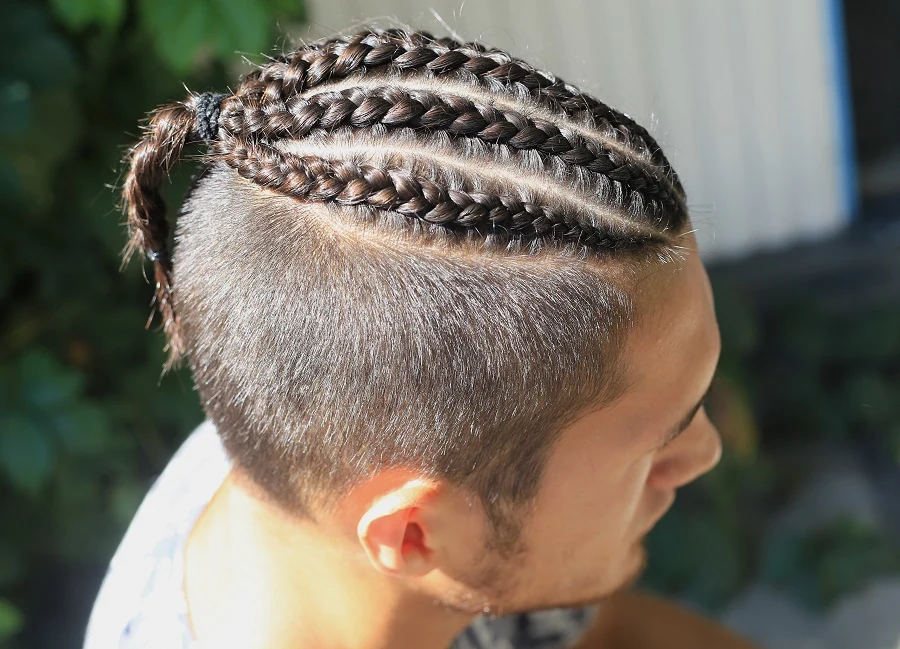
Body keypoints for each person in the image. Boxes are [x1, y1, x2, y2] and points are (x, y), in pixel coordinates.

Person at [84, 27, 760, 649]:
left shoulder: (332, 446)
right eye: (655, 442)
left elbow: (608, 633)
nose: (703, 452)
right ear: (412, 536)